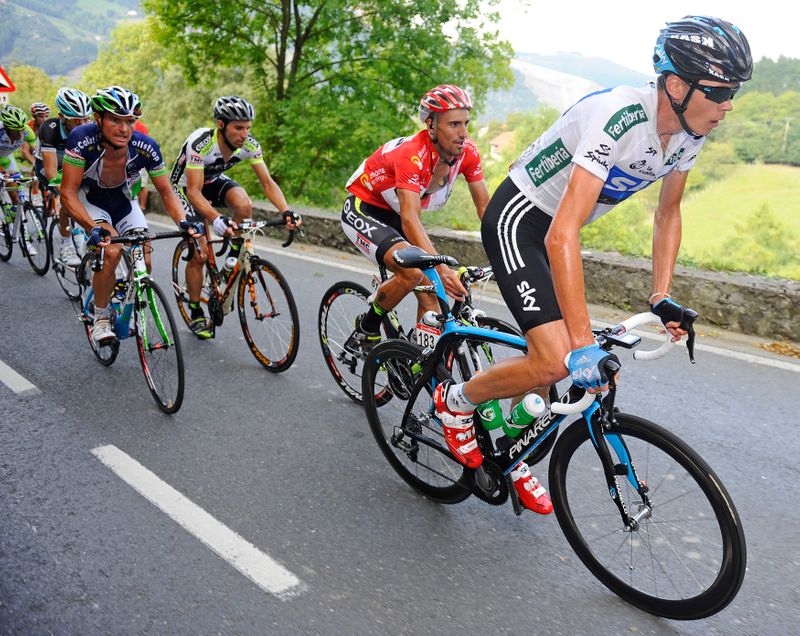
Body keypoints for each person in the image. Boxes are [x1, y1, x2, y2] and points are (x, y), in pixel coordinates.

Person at [433, 15, 753, 515]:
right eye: (718, 91)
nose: (728, 105)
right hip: (521, 217)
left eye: (733, 92)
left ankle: (511, 456)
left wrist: (660, 293)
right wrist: (581, 345)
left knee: (555, 370)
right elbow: (562, 233)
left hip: (559, 230)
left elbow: (667, 213)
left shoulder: (690, 133)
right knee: (559, 357)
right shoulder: (619, 116)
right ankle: (456, 402)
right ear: (675, 84)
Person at [342, 84, 489, 353]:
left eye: (466, 123)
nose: (463, 133)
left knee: (431, 291)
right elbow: (410, 219)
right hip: (365, 208)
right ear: (431, 126)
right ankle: (367, 328)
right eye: (454, 124)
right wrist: (443, 270)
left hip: (396, 212)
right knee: (413, 274)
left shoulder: (468, 152)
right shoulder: (412, 154)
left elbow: (486, 211)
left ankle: (421, 357)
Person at [60, 86, 202, 344]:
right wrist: (92, 227)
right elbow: (67, 192)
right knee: (112, 251)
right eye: (115, 119)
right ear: (98, 119)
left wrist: (183, 221)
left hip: (125, 203)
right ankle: (101, 318)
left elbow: (166, 192)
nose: (124, 128)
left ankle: (122, 296)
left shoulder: (146, 146)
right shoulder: (81, 138)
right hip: (92, 201)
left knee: (144, 262)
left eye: (130, 121)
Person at [170, 95, 299, 339]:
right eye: (238, 128)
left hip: (211, 180)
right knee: (200, 253)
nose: (244, 134)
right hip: (186, 188)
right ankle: (196, 309)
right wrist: (216, 218)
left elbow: (268, 183)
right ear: (221, 125)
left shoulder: (249, 145)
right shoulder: (201, 143)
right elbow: (195, 192)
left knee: (244, 204)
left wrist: (286, 210)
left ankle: (233, 257)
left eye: (248, 128)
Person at [33, 87, 92, 266]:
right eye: (76, 120)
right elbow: (51, 172)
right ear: (62, 117)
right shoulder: (48, 129)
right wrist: (68, 195)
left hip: (71, 163)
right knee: (68, 198)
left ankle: (83, 234)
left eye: (86, 118)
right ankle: (66, 247)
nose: (83, 124)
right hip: (48, 165)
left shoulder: (88, 129)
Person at [0, 105, 36, 207]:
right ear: (7, 127)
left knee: (16, 198)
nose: (20, 134)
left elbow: (37, 153)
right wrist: (2, 171)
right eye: (16, 130)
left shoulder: (27, 131)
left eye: (21, 129)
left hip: (6, 159)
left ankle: (16, 216)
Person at [133, 119, 150, 211]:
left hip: (136, 157)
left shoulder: (132, 126)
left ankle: (139, 207)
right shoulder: (143, 127)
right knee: (143, 184)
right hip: (143, 157)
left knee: (137, 183)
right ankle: (142, 207)